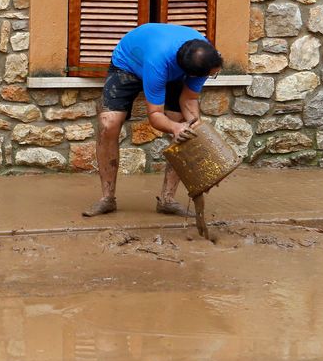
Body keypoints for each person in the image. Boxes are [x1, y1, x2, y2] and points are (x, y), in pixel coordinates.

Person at [83, 23, 224, 218]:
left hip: (173, 65)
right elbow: (155, 116)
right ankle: (107, 199)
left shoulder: (206, 57)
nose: (211, 76)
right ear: (189, 74)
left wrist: (195, 130)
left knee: (187, 130)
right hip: (129, 64)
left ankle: (168, 200)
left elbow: (189, 99)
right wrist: (175, 128)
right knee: (109, 124)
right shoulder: (157, 62)